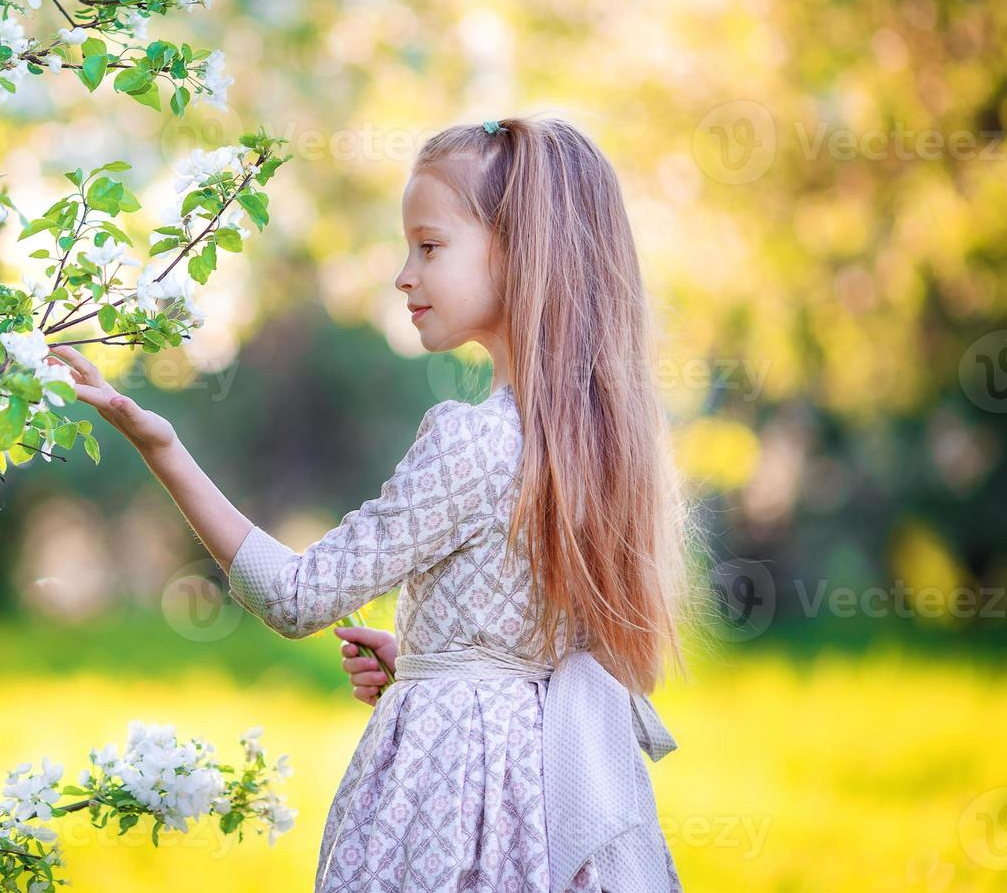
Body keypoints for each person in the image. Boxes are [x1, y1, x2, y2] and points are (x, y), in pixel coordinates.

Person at [47, 113, 698, 892]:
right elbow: (587, 654)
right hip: (547, 800)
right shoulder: (600, 442)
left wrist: (160, 446)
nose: (404, 275)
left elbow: (296, 597)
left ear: (522, 253)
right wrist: (433, 665)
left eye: (429, 246)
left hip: (454, 802)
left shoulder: (473, 441)